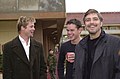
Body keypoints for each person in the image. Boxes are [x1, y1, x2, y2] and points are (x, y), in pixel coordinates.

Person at [73, 9, 120, 79]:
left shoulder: (115, 43)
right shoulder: (79, 46)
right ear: (85, 24)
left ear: (101, 23)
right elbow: (76, 71)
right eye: (88, 20)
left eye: (95, 19)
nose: (91, 22)